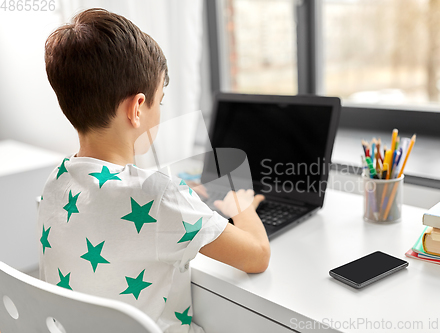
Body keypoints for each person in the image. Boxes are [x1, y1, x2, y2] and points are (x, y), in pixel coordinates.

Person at [38, 8, 270, 333]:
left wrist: (186, 200)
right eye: (159, 101)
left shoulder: (56, 180)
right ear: (137, 108)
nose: (159, 110)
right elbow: (257, 256)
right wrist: (240, 205)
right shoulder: (159, 196)